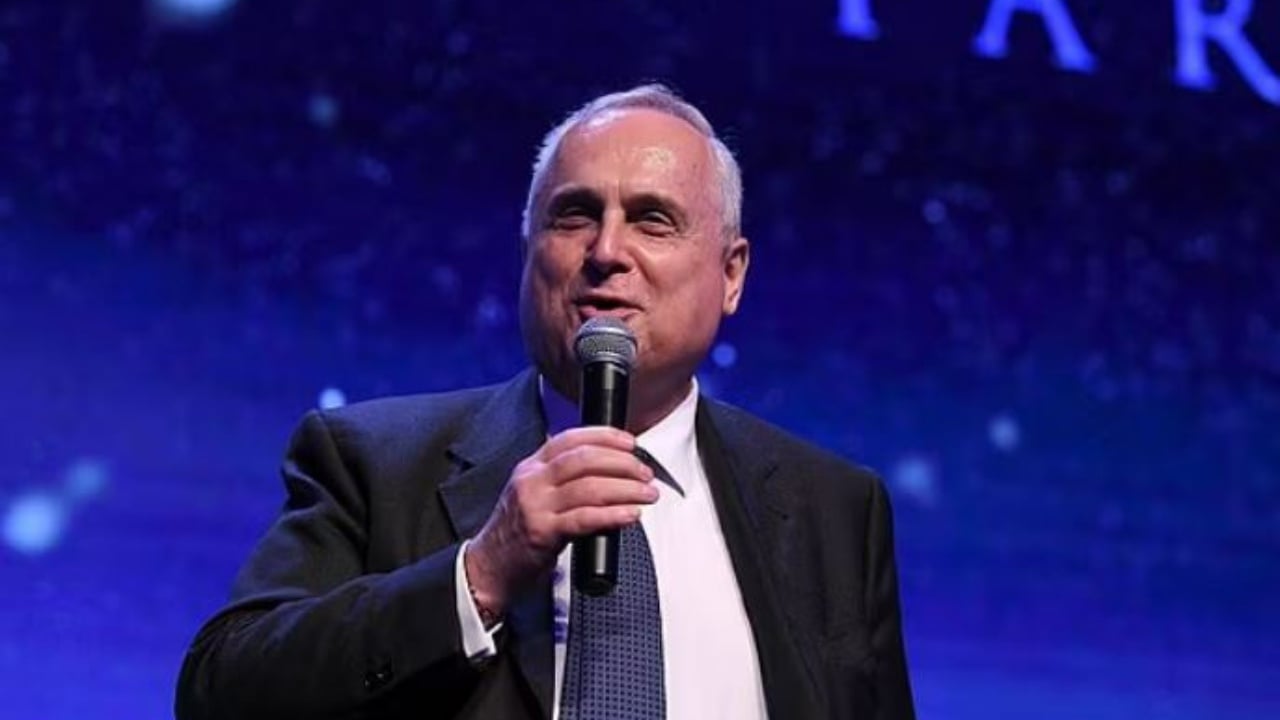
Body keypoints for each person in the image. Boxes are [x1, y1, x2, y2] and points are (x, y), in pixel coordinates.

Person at [175, 84, 915, 720]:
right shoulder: (374, 462)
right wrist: (480, 574)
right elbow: (223, 691)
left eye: (652, 220)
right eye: (574, 216)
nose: (606, 251)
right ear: (529, 251)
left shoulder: (834, 511)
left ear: (731, 274)